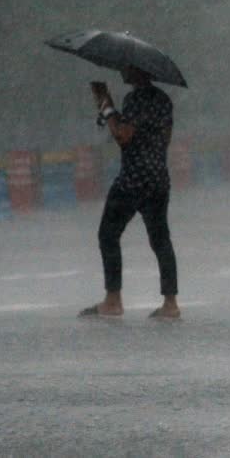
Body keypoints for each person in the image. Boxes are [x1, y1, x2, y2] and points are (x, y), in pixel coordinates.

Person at [78, 65, 180, 319]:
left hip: (133, 179)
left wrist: (106, 105)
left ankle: (113, 300)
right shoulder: (164, 100)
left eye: (126, 68)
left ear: (138, 71)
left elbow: (122, 136)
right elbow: (165, 138)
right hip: (158, 178)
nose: (122, 71)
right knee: (161, 240)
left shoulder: (134, 99)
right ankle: (171, 304)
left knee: (108, 234)